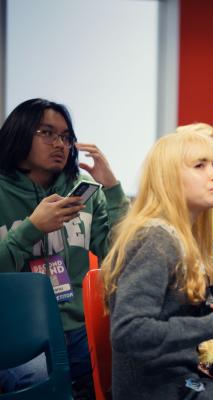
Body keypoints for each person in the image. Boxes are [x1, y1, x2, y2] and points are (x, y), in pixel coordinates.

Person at [101, 131, 213, 399]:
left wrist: (211, 309)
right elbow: (129, 332)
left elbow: (169, 315)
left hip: (183, 381)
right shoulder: (156, 239)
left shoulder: (182, 238)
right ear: (167, 178)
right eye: (200, 166)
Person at [0, 98, 129, 397]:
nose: (60, 144)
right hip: (16, 329)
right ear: (19, 133)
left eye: (66, 137)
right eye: (47, 133)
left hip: (80, 327)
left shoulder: (82, 189)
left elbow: (121, 255)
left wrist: (112, 190)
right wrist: (32, 228)